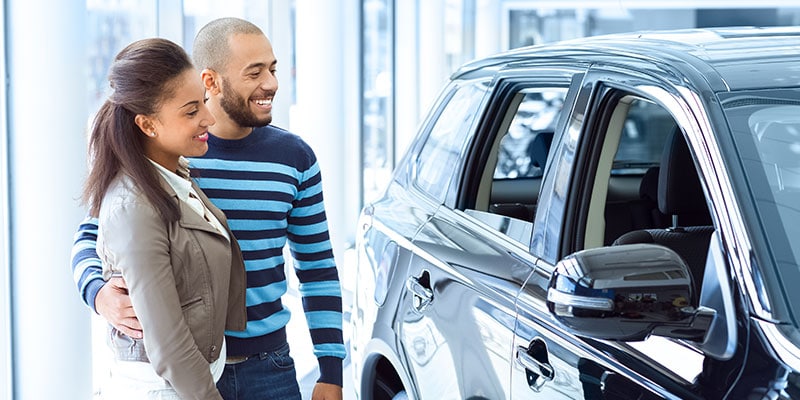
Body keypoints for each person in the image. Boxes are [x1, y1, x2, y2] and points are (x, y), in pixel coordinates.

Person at [71, 18, 346, 400]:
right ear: (211, 82)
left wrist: (331, 369)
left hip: (269, 367)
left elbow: (317, 268)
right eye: (254, 72)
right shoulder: (171, 155)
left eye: (273, 68)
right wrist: (99, 293)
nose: (271, 83)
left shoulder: (294, 159)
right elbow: (94, 235)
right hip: (184, 370)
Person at [81, 37, 246, 399]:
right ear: (148, 125)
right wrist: (93, 289)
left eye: (203, 102)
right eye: (191, 111)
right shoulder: (133, 206)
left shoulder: (173, 172)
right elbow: (168, 344)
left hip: (193, 379)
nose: (209, 118)